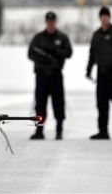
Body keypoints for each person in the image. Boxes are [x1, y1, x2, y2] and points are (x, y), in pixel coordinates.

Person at [28, 11, 72, 140]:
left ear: (56, 22)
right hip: (42, 75)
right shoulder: (39, 38)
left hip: (56, 75)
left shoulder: (62, 37)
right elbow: (30, 53)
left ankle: (59, 129)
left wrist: (56, 52)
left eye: (53, 21)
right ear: (46, 22)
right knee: (40, 103)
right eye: (49, 21)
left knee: (58, 102)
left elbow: (69, 52)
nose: (51, 24)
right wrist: (42, 59)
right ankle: (39, 130)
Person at [86, 6, 112, 140]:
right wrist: (88, 69)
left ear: (109, 18)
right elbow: (92, 53)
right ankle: (103, 131)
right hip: (101, 74)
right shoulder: (97, 34)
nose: (104, 19)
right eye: (102, 16)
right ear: (100, 18)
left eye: (106, 16)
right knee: (101, 104)